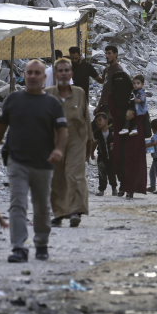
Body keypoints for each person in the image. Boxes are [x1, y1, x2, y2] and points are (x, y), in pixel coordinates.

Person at [0, 59, 68, 263]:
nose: (32, 76)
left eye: (36, 73)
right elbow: (0, 128)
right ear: (24, 75)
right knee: (18, 204)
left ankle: (41, 243)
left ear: (44, 77)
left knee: (41, 206)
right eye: (29, 72)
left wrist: (59, 149)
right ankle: (19, 247)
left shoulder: (52, 103)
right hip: (17, 161)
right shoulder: (13, 100)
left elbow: (62, 130)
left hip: (43, 162)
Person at [46, 58, 92, 228]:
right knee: (56, 177)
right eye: (60, 71)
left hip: (76, 140)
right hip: (54, 141)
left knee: (73, 173)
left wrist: (90, 144)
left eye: (67, 70)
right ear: (55, 74)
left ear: (71, 74)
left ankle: (76, 211)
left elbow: (86, 119)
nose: (64, 74)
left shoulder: (79, 93)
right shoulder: (48, 94)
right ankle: (59, 214)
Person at [108, 71, 148, 198]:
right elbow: (113, 110)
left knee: (133, 159)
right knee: (119, 158)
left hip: (135, 130)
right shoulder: (112, 96)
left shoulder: (134, 93)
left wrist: (134, 115)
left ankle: (130, 188)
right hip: (120, 129)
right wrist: (124, 114)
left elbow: (143, 110)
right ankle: (122, 185)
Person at [90, 112, 118, 196]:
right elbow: (94, 143)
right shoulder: (97, 133)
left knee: (112, 172)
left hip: (112, 156)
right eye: (96, 121)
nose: (98, 122)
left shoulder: (112, 132)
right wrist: (91, 152)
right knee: (102, 173)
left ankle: (114, 188)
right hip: (102, 156)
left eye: (100, 120)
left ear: (106, 120)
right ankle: (101, 189)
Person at [96, 45, 124, 114]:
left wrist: (113, 110)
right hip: (104, 104)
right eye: (106, 53)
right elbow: (105, 88)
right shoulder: (106, 69)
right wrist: (98, 106)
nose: (107, 56)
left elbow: (119, 91)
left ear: (115, 54)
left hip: (111, 106)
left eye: (109, 53)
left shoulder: (118, 70)